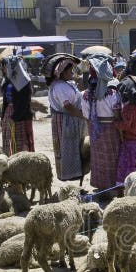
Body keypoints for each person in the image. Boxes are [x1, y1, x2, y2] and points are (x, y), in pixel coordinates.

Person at [80, 54, 122, 196]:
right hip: (111, 128)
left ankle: (101, 186)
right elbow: (117, 113)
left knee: (98, 157)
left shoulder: (85, 94)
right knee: (113, 156)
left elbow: (86, 116)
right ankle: (113, 187)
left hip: (94, 129)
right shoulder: (112, 93)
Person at [47, 53, 86, 182]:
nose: (72, 72)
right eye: (69, 70)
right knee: (68, 149)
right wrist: (83, 115)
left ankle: (76, 173)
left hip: (72, 120)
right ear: (62, 72)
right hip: (66, 121)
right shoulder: (59, 86)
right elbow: (68, 107)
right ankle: (69, 176)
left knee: (75, 148)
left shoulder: (66, 83)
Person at [114, 54, 136, 183]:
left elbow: (126, 125)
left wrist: (115, 123)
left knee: (128, 164)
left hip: (130, 140)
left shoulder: (129, 108)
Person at [0, 56, 35, 155]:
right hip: (8, 115)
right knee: (8, 142)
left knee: (20, 143)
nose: (3, 69)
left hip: (20, 117)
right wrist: (2, 118)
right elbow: (5, 101)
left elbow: (25, 103)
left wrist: (14, 117)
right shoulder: (7, 81)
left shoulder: (23, 82)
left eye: (5, 67)